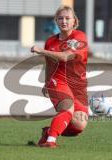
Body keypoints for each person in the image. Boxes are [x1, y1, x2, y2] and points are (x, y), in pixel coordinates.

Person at [31, 5, 89, 148]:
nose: (64, 21)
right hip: (58, 81)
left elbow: (64, 57)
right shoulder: (50, 41)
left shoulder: (79, 37)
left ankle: (49, 131)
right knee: (67, 109)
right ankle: (51, 141)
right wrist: (46, 82)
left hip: (78, 86)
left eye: (67, 18)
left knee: (79, 124)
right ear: (56, 21)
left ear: (74, 21)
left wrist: (41, 51)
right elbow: (50, 64)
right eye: (60, 18)